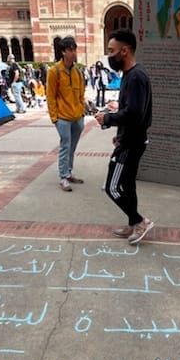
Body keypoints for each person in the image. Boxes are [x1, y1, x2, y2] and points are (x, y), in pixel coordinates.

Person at [94, 29, 154, 245]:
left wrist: (108, 119)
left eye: (112, 51)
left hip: (132, 144)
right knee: (127, 185)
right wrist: (120, 133)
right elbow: (132, 111)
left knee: (112, 186)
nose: (109, 55)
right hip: (129, 140)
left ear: (124, 51)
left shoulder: (136, 76)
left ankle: (140, 221)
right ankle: (132, 223)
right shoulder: (130, 75)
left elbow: (135, 114)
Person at [46, 35, 86, 191]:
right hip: (63, 118)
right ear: (63, 52)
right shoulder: (54, 71)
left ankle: (68, 172)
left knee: (72, 147)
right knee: (65, 147)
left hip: (77, 117)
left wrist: (82, 112)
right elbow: (50, 96)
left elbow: (81, 94)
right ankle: (63, 177)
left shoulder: (77, 72)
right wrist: (54, 118)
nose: (73, 53)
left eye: (74, 49)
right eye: (70, 50)